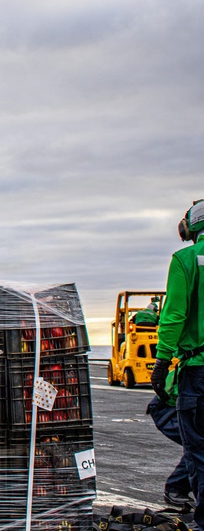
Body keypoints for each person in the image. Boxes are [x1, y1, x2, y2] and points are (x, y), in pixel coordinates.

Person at [153, 200, 204, 529]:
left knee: (198, 446)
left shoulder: (186, 260)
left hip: (197, 370)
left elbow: (173, 317)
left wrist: (161, 361)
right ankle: (177, 487)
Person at [147, 394, 196, 510]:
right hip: (169, 411)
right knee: (197, 447)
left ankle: (177, 486)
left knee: (197, 447)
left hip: (181, 407)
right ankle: (176, 487)